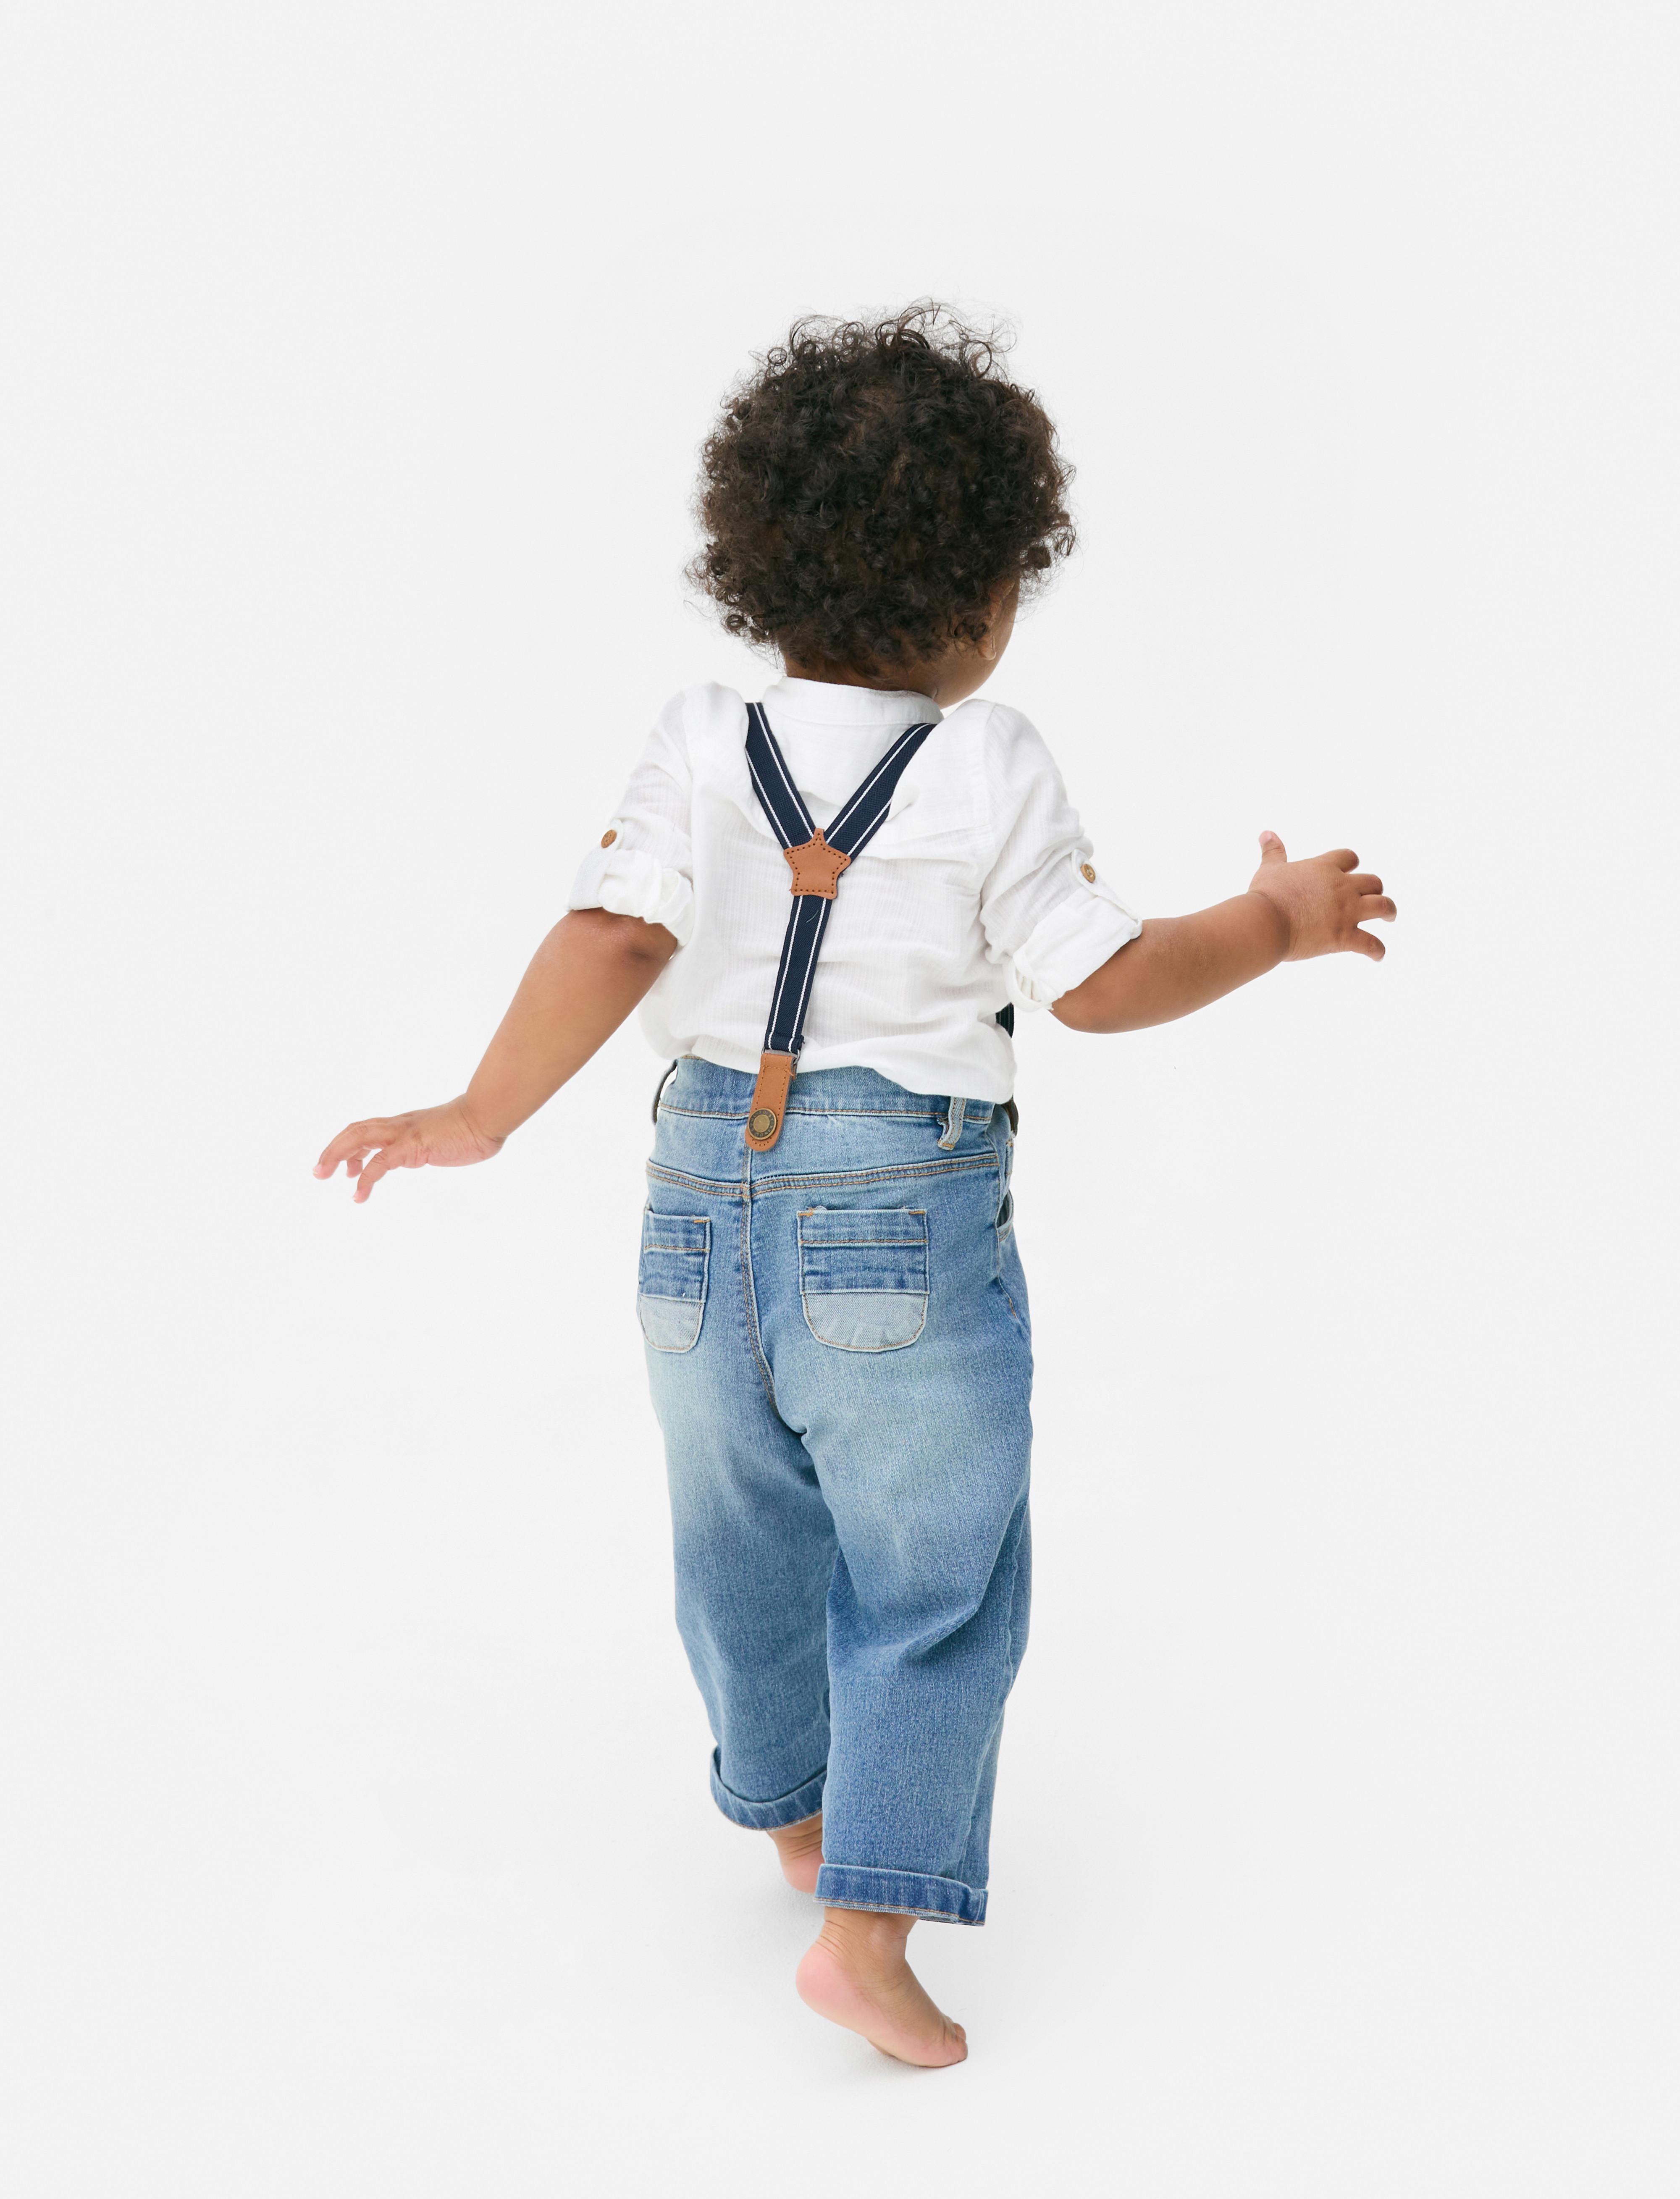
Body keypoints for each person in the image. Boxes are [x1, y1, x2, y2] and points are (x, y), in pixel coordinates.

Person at [314, 306, 1396, 2068]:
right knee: (930, 1572)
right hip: (898, 1213)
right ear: (983, 592)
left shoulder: (695, 729)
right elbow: (1101, 978)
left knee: (740, 1527)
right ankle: (867, 1918)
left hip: (687, 1212)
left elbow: (612, 931)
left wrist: (479, 1109)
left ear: (760, 563)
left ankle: (794, 1808)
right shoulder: (987, 756)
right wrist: (1268, 924)